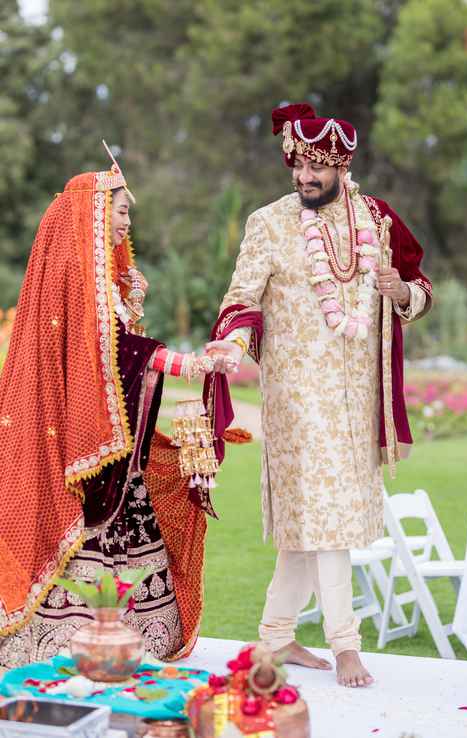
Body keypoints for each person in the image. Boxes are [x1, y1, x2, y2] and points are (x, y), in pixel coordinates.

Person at [205, 103, 432, 688]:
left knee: (311, 528)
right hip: (297, 403)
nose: (305, 177)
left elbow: (421, 288)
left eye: (318, 167)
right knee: (324, 523)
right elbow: (242, 298)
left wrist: (401, 288)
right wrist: (231, 342)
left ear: (342, 165)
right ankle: (346, 646)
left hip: (356, 405)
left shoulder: (377, 221)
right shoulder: (270, 223)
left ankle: (276, 638)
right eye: (299, 165)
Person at [0, 148, 214, 667]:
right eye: (120, 210)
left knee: (127, 525)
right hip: (82, 443)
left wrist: (131, 304)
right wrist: (183, 364)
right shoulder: (76, 273)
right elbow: (110, 352)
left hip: (114, 448)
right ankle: (66, 640)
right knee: (86, 530)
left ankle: (127, 636)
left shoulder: (107, 282)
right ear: (95, 212)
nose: (127, 221)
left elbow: (116, 350)